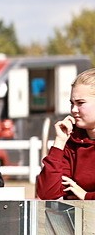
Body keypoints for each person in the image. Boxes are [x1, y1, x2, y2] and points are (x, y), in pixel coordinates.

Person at [36, 68, 95, 200]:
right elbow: (47, 193)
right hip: (76, 219)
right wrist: (60, 142)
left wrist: (86, 196)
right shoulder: (72, 140)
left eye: (80, 103)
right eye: (72, 103)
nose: (74, 110)